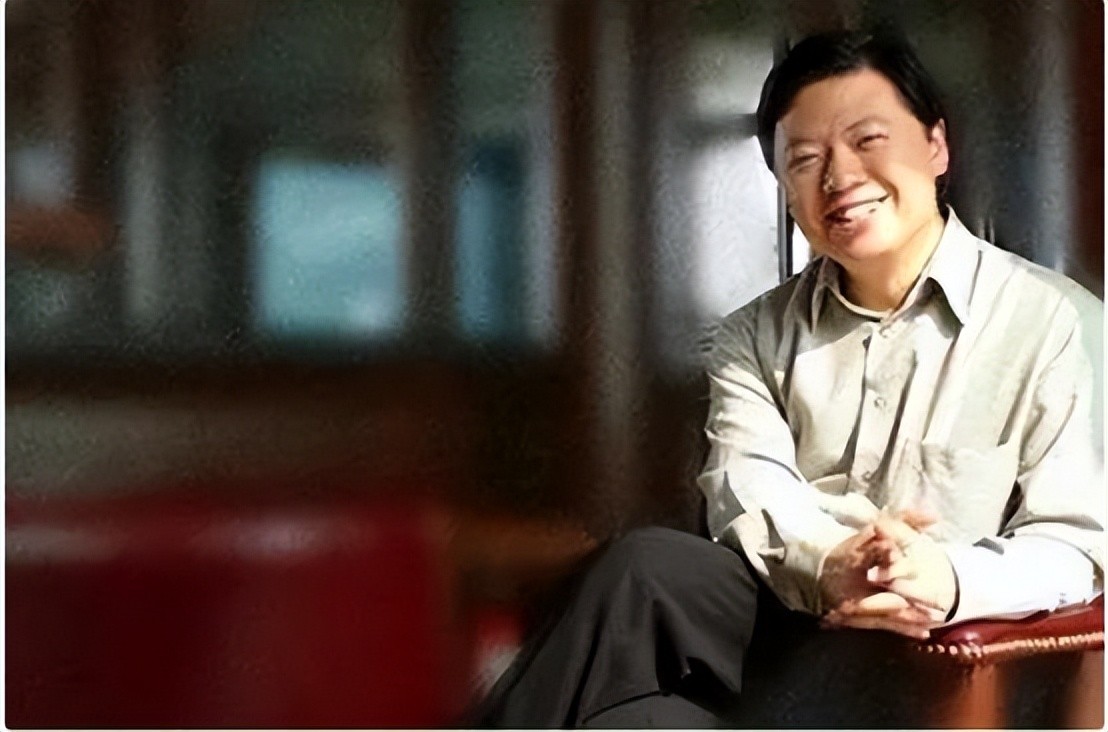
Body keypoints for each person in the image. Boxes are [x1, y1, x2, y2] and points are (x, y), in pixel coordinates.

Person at [473, 29, 1104, 728]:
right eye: (805, 160)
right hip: (788, 627)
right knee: (642, 575)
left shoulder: (1052, 321)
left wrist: (947, 578)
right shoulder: (753, 335)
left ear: (935, 146)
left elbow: (1078, 545)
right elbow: (747, 491)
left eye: (868, 140)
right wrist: (833, 563)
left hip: (938, 656)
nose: (840, 177)